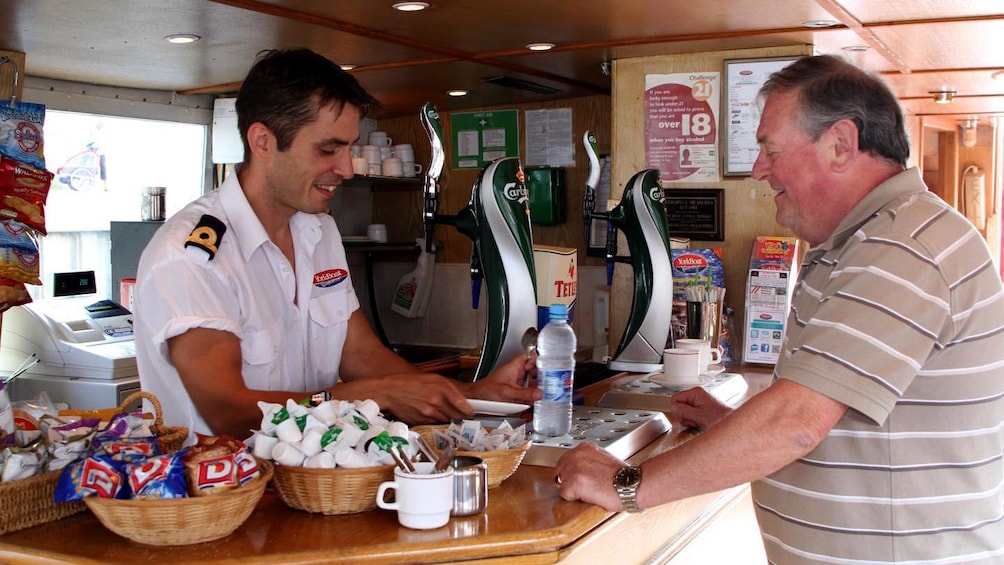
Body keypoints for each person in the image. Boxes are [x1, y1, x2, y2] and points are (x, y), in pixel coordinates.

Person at [554, 54, 1004, 563]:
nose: (758, 169)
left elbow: (797, 422)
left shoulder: (899, 246)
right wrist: (734, 425)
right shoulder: (867, 240)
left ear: (840, 145)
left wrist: (624, 484)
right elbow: (828, 412)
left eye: (769, 148)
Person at [134, 48, 540, 442]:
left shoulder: (319, 231)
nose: (345, 169)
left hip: (317, 488)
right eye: (328, 149)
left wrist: (469, 395)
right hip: (215, 499)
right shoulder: (193, 256)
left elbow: (360, 354)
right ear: (262, 141)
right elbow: (230, 413)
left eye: (349, 148)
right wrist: (376, 395)